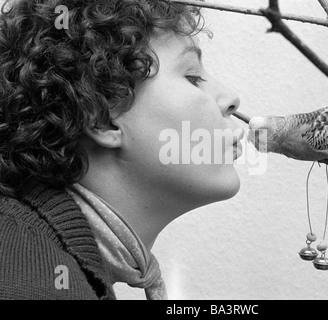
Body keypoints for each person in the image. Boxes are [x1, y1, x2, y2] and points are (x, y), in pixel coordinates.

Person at [0, 0, 243, 300]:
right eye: (192, 78)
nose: (232, 98)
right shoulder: (32, 281)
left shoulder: (45, 262)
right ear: (103, 119)